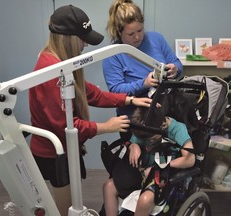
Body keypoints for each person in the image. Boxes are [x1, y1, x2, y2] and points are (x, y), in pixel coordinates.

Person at [29, 5, 153, 216]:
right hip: (53, 154)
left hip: (66, 149)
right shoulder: (51, 72)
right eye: (82, 39)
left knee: (68, 203)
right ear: (67, 38)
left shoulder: (62, 63)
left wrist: (130, 99)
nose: (85, 44)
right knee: (63, 210)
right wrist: (105, 127)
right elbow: (64, 126)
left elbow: (92, 94)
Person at [103, 0, 183, 141]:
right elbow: (115, 91)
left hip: (165, 114)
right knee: (138, 161)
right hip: (134, 121)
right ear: (118, 32)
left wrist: (175, 69)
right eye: (131, 34)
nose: (137, 37)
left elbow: (176, 63)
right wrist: (144, 83)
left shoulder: (156, 39)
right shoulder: (112, 54)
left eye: (140, 30)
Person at [102, 106, 195, 216]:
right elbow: (133, 141)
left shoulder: (178, 130)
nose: (147, 143)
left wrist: (161, 167)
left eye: (150, 139)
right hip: (141, 170)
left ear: (162, 126)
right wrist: (133, 146)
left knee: (145, 200)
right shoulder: (143, 126)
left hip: (162, 174)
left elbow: (190, 159)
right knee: (109, 186)